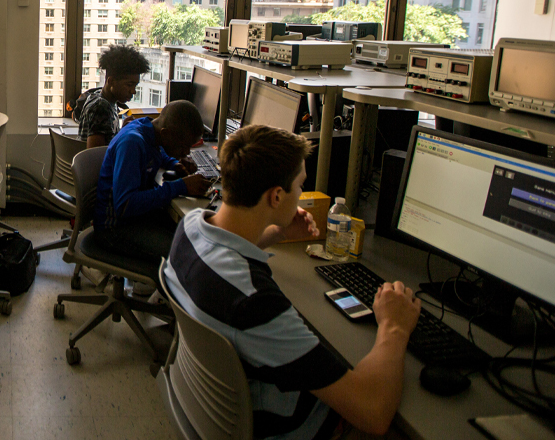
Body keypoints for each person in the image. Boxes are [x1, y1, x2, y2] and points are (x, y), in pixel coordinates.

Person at [162, 125, 421, 439]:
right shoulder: (254, 301)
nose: (301, 194)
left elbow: (224, 254)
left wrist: (277, 231)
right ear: (276, 196)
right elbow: (372, 412)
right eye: (299, 186)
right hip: (285, 426)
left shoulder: (191, 226)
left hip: (204, 406)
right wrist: (394, 327)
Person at [95, 100, 211, 269]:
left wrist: (174, 164)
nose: (186, 153)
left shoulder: (146, 129)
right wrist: (181, 186)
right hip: (114, 229)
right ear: (165, 134)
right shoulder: (132, 143)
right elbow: (125, 205)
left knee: (192, 236)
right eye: (184, 146)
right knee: (185, 257)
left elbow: (156, 152)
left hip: (135, 218)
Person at [77, 44, 150, 149]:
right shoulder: (101, 107)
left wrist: (123, 130)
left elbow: (108, 142)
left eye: (135, 86)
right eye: (129, 85)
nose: (133, 91)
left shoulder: (102, 98)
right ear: (111, 81)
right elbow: (96, 155)